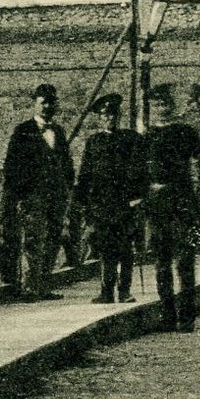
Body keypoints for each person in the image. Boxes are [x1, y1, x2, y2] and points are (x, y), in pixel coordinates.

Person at [141, 84, 200, 332]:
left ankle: (187, 316)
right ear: (152, 108)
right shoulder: (146, 137)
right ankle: (167, 314)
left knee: (186, 260)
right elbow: (140, 174)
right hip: (157, 208)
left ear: (172, 106)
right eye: (157, 105)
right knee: (160, 262)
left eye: (165, 104)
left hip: (185, 207)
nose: (162, 109)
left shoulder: (186, 132)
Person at [2, 83, 74, 301]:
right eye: (43, 103)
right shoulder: (23, 131)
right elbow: (11, 166)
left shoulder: (58, 132)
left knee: (53, 239)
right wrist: (22, 193)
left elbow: (66, 163)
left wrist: (67, 187)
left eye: (51, 103)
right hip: (33, 196)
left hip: (56, 197)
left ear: (56, 105)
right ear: (35, 104)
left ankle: (44, 285)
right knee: (34, 240)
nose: (47, 107)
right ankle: (30, 287)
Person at [73, 93, 147, 304]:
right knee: (106, 249)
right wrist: (81, 202)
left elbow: (141, 171)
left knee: (124, 248)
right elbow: (85, 174)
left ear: (118, 116)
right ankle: (106, 292)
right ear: (99, 118)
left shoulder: (131, 139)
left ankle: (124, 291)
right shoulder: (93, 142)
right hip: (102, 205)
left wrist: (139, 197)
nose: (109, 119)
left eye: (113, 115)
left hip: (125, 203)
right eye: (105, 116)